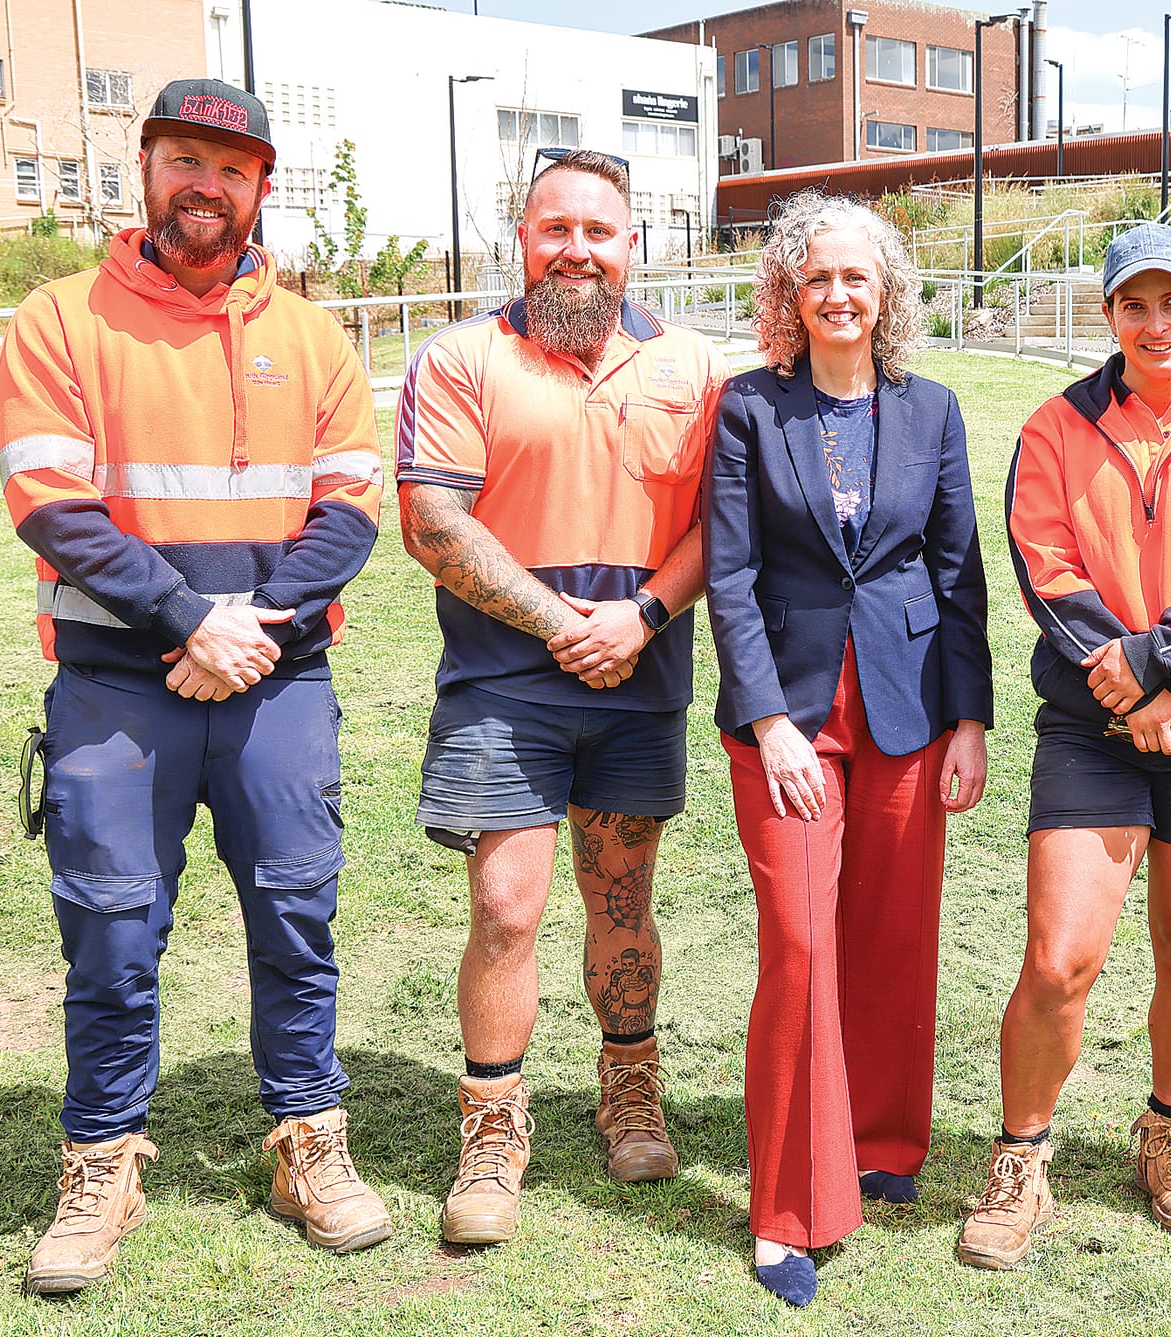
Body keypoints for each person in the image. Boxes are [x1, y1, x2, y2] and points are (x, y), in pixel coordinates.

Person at [0, 79, 390, 1294]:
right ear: (145, 167)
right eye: (182, 157)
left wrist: (246, 629)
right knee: (111, 931)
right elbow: (51, 505)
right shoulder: (62, 318)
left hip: (275, 681)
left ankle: (308, 1140)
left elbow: (352, 502)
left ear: (261, 184)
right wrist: (185, 617)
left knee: (295, 911)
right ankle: (103, 1156)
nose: (204, 183)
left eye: (230, 164)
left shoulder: (315, 335)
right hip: (121, 687)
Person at [957, 223, 1171, 1269]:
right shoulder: (1055, 427)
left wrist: (1156, 664)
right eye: (1132, 304)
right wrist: (1129, 686)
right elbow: (1044, 567)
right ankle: (1020, 1155)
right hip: (1093, 725)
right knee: (1060, 957)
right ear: (1106, 313)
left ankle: (1167, 1134)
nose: (1155, 323)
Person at [395, 149, 727, 1244]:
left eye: (599, 229)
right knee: (505, 905)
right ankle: (492, 1124)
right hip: (505, 685)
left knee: (622, 897)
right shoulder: (459, 357)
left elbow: (719, 525)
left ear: (634, 243)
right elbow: (433, 523)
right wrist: (560, 623)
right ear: (520, 239)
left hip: (640, 679)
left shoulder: (691, 363)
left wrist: (639, 618)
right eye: (554, 229)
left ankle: (628, 1086)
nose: (576, 248)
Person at [705, 191, 993, 1306]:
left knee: (887, 935)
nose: (836, 294)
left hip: (908, 707)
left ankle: (882, 1142)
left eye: (856, 277)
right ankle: (788, 1206)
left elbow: (958, 573)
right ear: (789, 291)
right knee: (800, 944)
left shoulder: (933, 412)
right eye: (815, 276)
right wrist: (769, 715)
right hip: (788, 719)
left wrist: (968, 718)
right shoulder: (747, 410)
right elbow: (727, 574)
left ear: (886, 297)